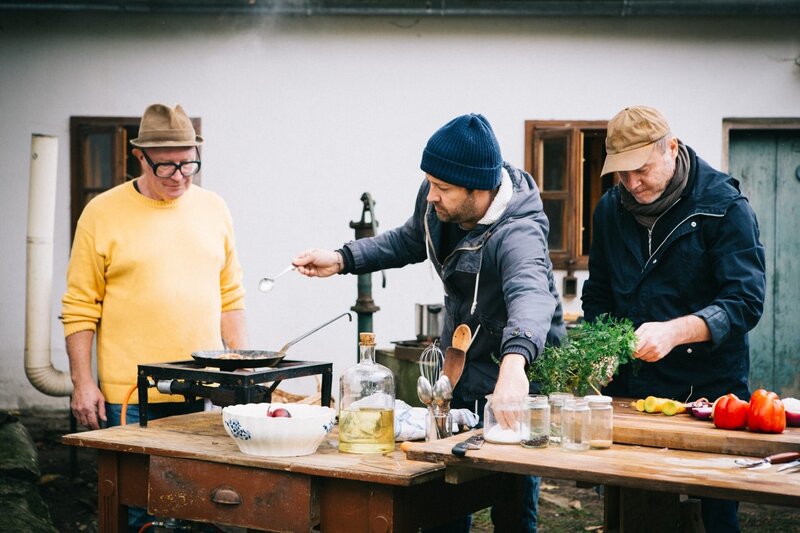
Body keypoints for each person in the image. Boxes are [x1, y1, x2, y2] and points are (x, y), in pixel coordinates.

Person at [294, 113, 565, 532]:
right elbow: (409, 239)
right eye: (430, 183)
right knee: (445, 495)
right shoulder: (439, 193)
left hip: (514, 370)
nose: (430, 196)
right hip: (458, 364)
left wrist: (514, 370)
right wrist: (343, 258)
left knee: (510, 501)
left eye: (442, 189)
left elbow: (531, 298)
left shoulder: (520, 232)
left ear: (479, 190)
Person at [582, 106, 766, 533]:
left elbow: (744, 301)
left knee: (716, 512)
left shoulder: (725, 206)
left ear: (672, 148)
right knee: (635, 511)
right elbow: (599, 292)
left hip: (710, 390)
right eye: (621, 174)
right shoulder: (610, 210)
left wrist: (675, 331)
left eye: (641, 170)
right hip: (635, 390)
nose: (631, 184)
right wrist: (601, 348)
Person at [62, 102, 248, 430]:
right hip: (130, 395)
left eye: (188, 164)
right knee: (132, 483)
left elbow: (230, 297)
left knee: (194, 482)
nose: (179, 176)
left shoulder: (214, 208)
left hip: (201, 390)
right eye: (166, 166)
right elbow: (80, 308)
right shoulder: (101, 213)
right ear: (140, 158)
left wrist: (243, 367)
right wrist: (83, 383)